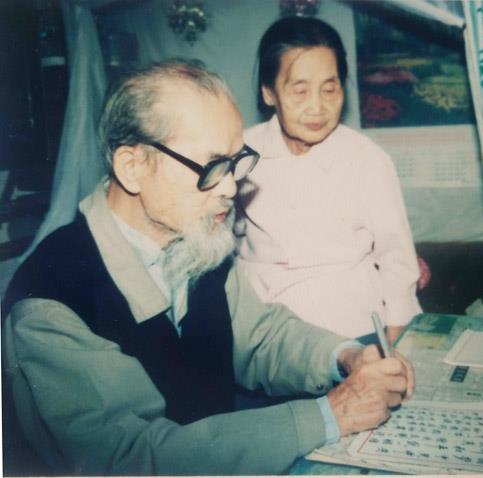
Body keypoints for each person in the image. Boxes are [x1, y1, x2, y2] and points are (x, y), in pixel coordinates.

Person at [1, 59, 415, 476]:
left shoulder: (195, 238)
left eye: (235, 163)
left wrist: (344, 356)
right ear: (132, 167)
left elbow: (259, 336)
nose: (231, 187)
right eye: (212, 167)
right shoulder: (50, 302)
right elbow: (131, 458)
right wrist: (329, 415)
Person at [236, 17, 427, 342]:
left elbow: (396, 256)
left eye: (329, 89)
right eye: (300, 91)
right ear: (269, 93)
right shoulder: (241, 153)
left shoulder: (366, 159)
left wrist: (394, 340)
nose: (317, 107)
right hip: (263, 326)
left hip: (352, 322)